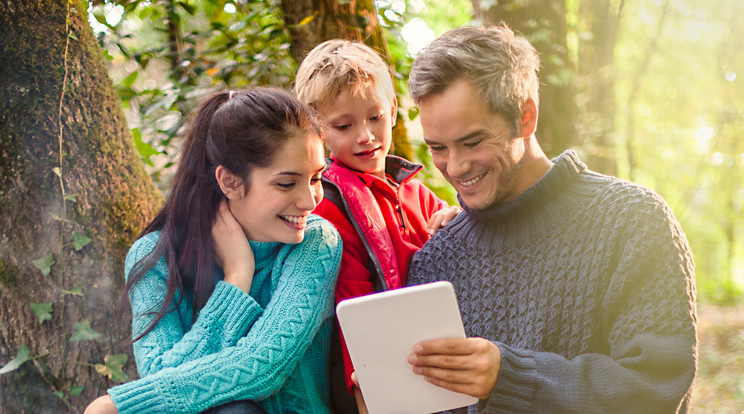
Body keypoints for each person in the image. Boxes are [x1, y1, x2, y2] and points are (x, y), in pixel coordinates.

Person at [401, 24, 697, 412]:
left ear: (525, 117)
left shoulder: (633, 222)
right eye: (438, 148)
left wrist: (511, 377)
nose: (454, 167)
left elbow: (657, 387)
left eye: (473, 142)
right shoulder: (435, 260)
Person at [84, 87, 342, 414]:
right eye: (286, 183)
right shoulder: (154, 258)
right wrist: (237, 277)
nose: (309, 201)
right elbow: (159, 376)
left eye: (317, 177)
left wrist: (122, 406)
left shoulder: (316, 244)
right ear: (230, 182)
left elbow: (265, 364)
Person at [293, 39, 460, 411]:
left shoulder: (416, 192)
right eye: (344, 125)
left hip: (437, 357)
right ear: (319, 133)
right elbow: (352, 310)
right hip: (377, 379)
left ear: (394, 110)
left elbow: (456, 238)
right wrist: (366, 394)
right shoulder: (329, 208)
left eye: (375, 117)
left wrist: (457, 217)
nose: (365, 135)